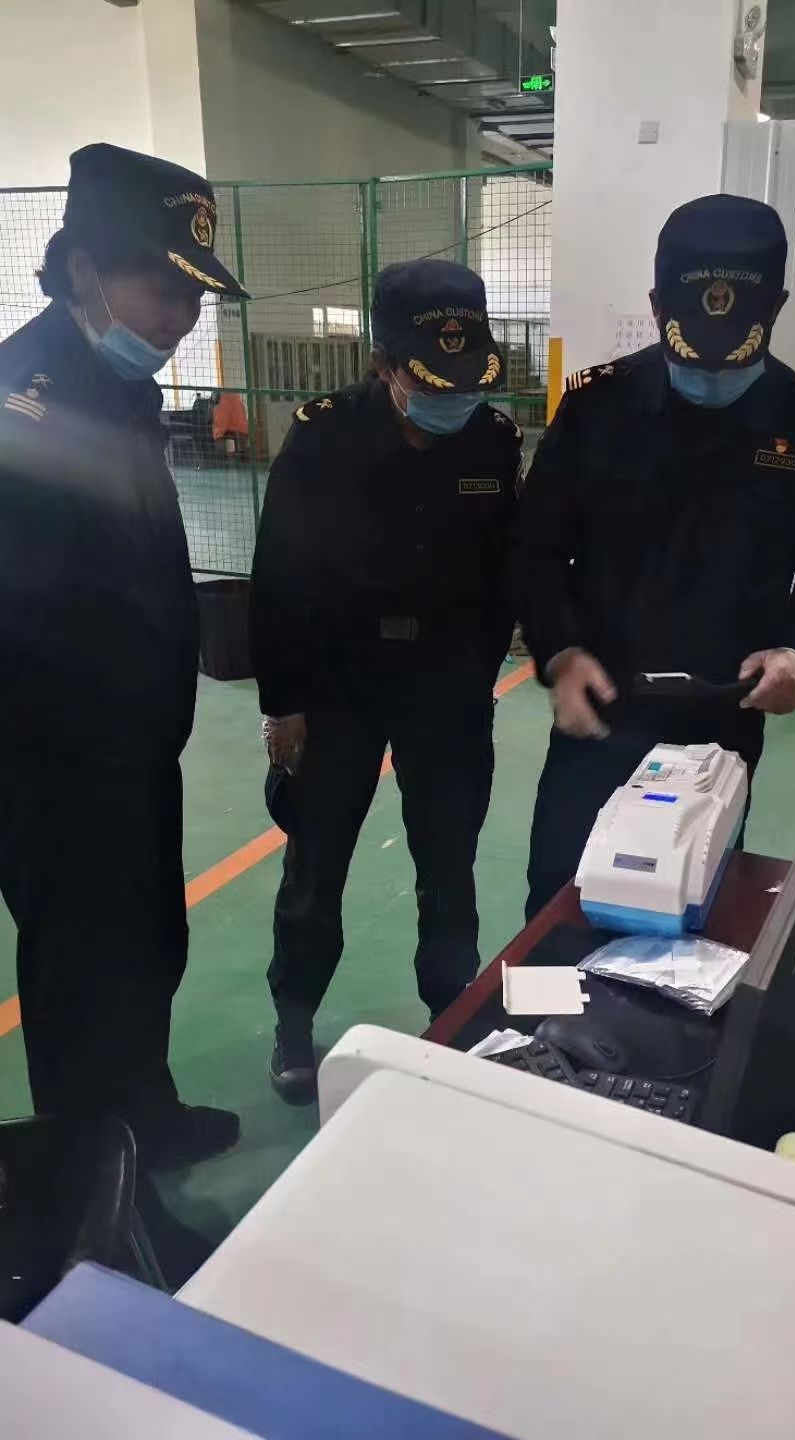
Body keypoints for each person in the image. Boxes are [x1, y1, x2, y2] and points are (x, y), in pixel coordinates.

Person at [516, 194, 795, 919]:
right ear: (656, 308)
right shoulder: (596, 409)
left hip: (725, 714)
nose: (710, 377)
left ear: (776, 308)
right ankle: (547, 998)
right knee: (561, 901)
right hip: (602, 703)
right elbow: (536, 549)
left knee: (689, 906)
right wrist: (559, 653)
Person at [0, 144, 247, 1166]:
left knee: (146, 944)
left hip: (130, 750)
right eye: (163, 289)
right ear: (83, 269)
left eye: (195, 298)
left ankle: (144, 1119)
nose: (181, 318)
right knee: (81, 974)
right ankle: (89, 1186)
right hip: (54, 765)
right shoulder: (26, 404)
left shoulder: (111, 386)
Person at [250, 259, 522, 1103]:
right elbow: (278, 575)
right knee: (316, 863)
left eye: (467, 378)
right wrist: (283, 703)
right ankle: (295, 1021)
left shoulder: (492, 437)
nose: (453, 397)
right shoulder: (322, 435)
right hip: (340, 686)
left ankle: (452, 1014)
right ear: (382, 364)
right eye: (430, 380)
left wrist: (476, 677)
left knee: (450, 862)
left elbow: (505, 571)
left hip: (446, 687)